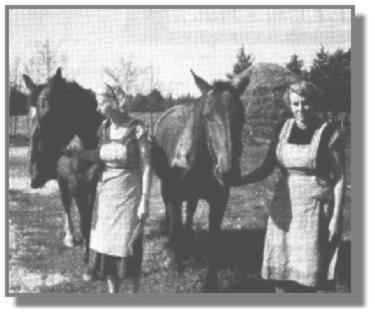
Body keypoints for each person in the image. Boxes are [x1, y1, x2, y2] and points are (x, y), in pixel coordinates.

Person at [240, 81, 345, 292]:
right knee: (282, 270)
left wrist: (336, 219)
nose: (300, 109)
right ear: (289, 104)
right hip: (284, 205)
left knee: (310, 269)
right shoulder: (283, 128)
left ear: (315, 103)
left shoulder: (329, 132)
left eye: (305, 103)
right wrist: (240, 180)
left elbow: (340, 177)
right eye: (295, 104)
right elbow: (267, 166)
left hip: (313, 209)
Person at [66, 97, 152, 293]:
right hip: (106, 195)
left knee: (127, 247)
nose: (97, 106)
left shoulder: (137, 128)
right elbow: (100, 155)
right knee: (107, 248)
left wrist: (144, 201)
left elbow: (147, 166)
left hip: (130, 192)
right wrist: (78, 153)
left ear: (114, 101)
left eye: (101, 101)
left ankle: (132, 297)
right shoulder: (104, 127)